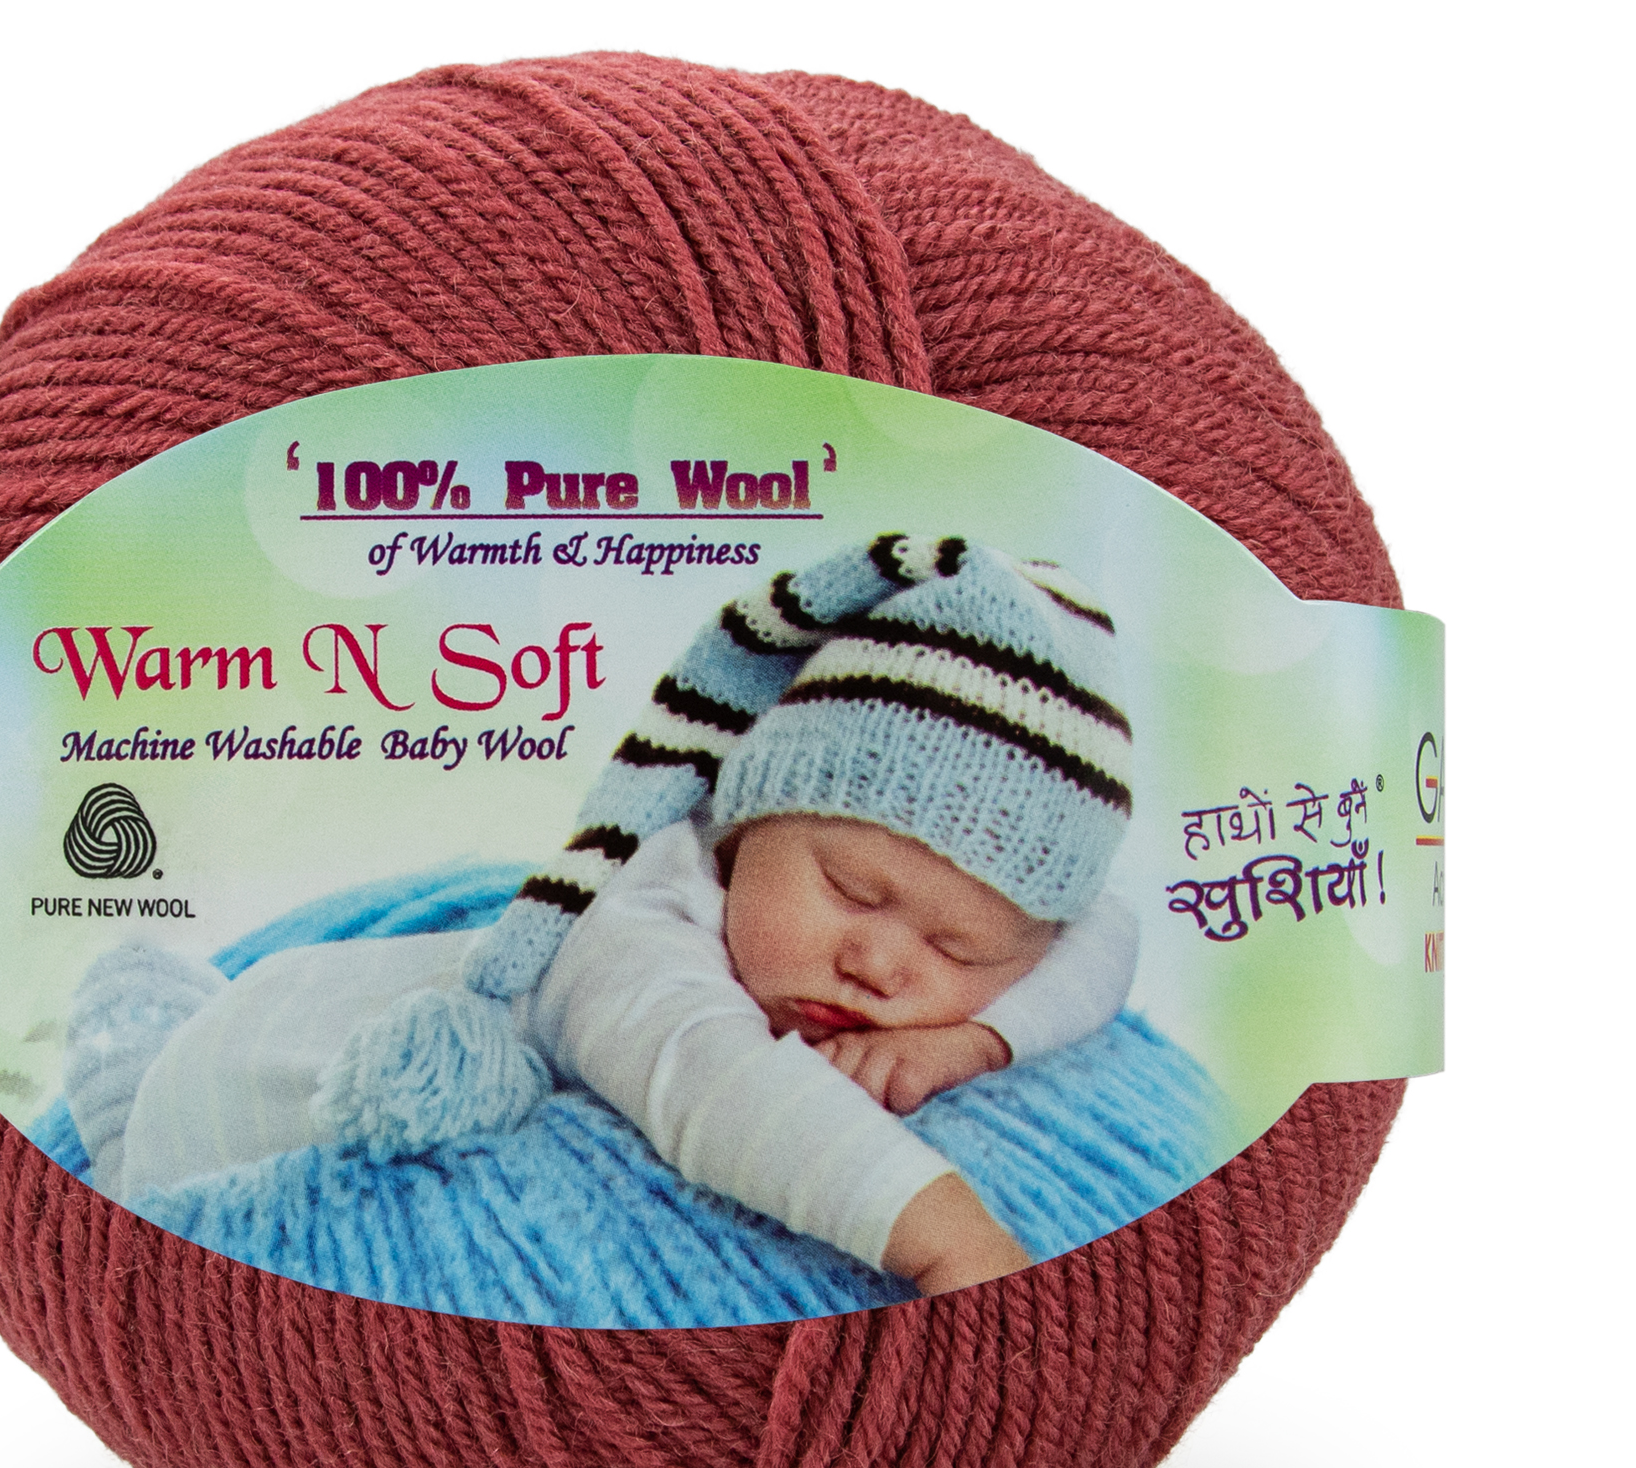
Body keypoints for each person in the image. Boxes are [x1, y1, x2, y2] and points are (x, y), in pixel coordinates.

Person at [98, 537, 1137, 1297]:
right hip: (240, 1091)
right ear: (742, 824)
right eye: (850, 890)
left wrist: (978, 1039)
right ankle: (119, 1109)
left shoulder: (983, 944)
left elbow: (1104, 933)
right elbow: (716, 1085)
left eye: (957, 948)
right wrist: (947, 1235)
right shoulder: (633, 926)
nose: (878, 961)